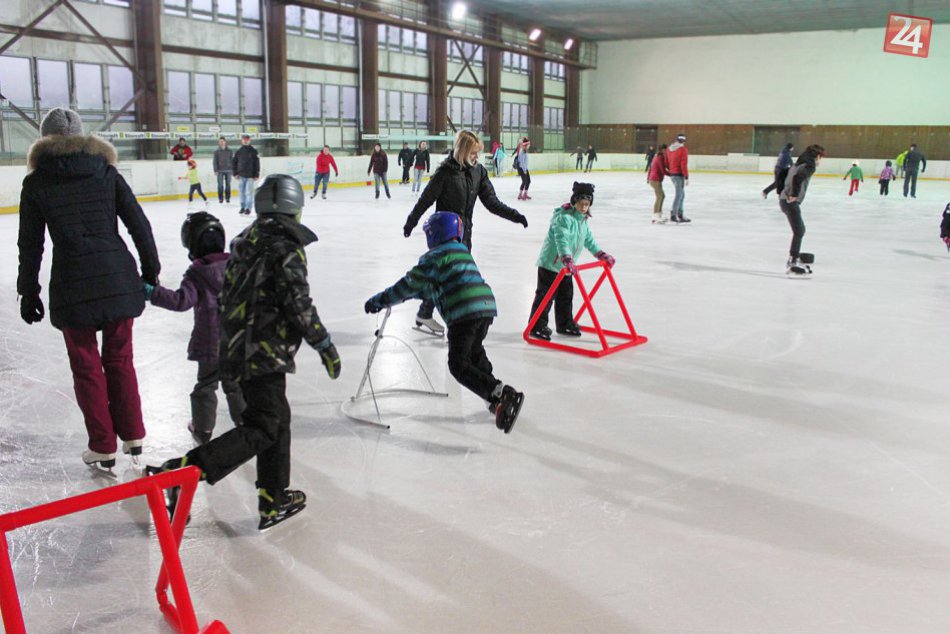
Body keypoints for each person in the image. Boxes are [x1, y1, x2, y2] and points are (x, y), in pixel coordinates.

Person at [147, 175, 341, 531]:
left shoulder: (243, 240)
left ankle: (273, 496)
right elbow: (298, 304)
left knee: (277, 418)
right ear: (293, 208)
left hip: (235, 347)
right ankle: (182, 470)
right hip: (263, 351)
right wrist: (323, 344)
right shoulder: (286, 247)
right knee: (264, 426)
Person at [17, 107, 161, 469]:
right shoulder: (106, 173)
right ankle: (133, 435)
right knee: (120, 358)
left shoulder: (36, 183)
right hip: (116, 276)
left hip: (72, 283)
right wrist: (150, 269)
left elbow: (31, 244)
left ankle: (103, 444)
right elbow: (138, 224)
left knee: (86, 366)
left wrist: (29, 290)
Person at [365, 212, 524, 433]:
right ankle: (497, 400)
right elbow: (432, 287)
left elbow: (408, 285)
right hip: (485, 307)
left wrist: (380, 300)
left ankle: (500, 392)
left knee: (458, 365)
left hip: (463, 313)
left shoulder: (433, 258)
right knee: (475, 353)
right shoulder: (461, 251)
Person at [404, 130, 528, 336]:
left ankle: (425, 313)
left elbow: (491, 202)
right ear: (461, 150)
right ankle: (451, 318)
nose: (476, 157)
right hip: (443, 236)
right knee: (454, 277)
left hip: (464, 234)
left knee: (444, 277)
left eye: (477, 153)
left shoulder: (478, 172)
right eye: (473, 153)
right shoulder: (445, 173)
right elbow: (425, 200)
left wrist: (515, 215)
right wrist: (411, 222)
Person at [144, 212, 245, 445]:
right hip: (238, 339)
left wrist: (151, 292)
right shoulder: (238, 265)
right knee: (235, 384)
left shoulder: (197, 272)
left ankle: (203, 429)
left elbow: (181, 301)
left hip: (211, 342)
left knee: (206, 385)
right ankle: (246, 424)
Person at [528, 182, 615, 340]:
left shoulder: (582, 221)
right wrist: (566, 258)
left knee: (566, 296)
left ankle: (564, 324)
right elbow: (561, 239)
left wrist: (601, 254)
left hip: (566, 268)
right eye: (581, 204)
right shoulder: (564, 218)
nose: (583, 208)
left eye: (587, 205)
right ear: (574, 202)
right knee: (545, 296)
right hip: (551, 264)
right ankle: (536, 325)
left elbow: (589, 240)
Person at [779, 144, 825, 276]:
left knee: (801, 230)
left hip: (785, 200)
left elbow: (783, 177)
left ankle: (795, 256)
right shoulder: (810, 165)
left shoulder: (798, 163)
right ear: (817, 156)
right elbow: (797, 178)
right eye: (821, 157)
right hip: (790, 201)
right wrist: (793, 195)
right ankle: (792, 263)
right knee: (799, 231)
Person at [232, 133, 260, 216]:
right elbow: (234, 162)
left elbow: (257, 163)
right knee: (242, 192)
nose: (245, 141)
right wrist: (235, 173)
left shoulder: (254, 151)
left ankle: (248, 208)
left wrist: (256, 174)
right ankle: (243, 207)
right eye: (244, 139)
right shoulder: (238, 151)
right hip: (241, 175)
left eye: (247, 139)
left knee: (249, 192)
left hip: (251, 175)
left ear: (249, 140)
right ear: (242, 141)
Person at [667, 133, 690, 223]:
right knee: (679, 194)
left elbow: (667, 161)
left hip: (673, 174)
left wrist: (671, 170)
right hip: (678, 175)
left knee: (681, 194)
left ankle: (680, 214)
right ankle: (674, 214)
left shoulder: (669, 149)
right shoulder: (683, 149)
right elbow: (683, 164)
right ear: (683, 141)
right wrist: (686, 176)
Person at [647, 144, 669, 224]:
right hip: (655, 180)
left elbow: (651, 168)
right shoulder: (659, 157)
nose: (667, 151)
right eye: (666, 150)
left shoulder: (657, 156)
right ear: (662, 150)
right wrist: (672, 174)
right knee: (659, 196)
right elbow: (663, 170)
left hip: (654, 179)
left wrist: (648, 178)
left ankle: (659, 214)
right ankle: (655, 216)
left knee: (662, 196)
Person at [212, 137, 233, 204]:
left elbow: (232, 160)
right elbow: (215, 161)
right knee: (220, 185)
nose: (221, 143)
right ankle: (221, 198)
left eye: (222, 141)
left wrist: (233, 169)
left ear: (225, 142)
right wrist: (215, 170)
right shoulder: (216, 151)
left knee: (228, 185)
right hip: (220, 170)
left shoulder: (230, 151)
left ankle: (228, 198)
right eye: (220, 141)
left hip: (229, 170)